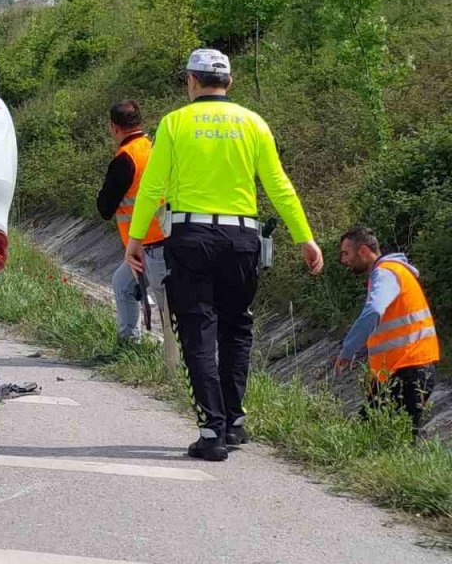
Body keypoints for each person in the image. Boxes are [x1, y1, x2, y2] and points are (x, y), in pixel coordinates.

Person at [125, 48, 324, 462]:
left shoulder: (175, 123)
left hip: (192, 235)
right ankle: (234, 422)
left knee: (197, 329)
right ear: (229, 83)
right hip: (242, 239)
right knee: (236, 329)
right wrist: (304, 237)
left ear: (191, 82)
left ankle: (210, 430)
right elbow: (279, 185)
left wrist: (137, 237)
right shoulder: (253, 123)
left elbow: (152, 186)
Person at [335, 227, 440, 438]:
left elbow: (374, 310)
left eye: (346, 253)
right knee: (380, 436)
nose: (343, 260)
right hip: (401, 370)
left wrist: (348, 350)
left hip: (408, 369)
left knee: (382, 437)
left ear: (363, 251)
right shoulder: (394, 271)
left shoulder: (384, 273)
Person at [96, 100, 170, 349]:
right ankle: (129, 346)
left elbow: (105, 207)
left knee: (168, 307)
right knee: (123, 284)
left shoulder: (125, 159)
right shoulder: (154, 149)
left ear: (114, 128)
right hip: (164, 238)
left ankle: (178, 364)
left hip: (149, 245)